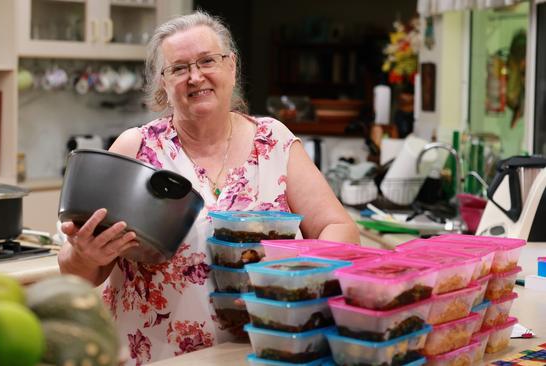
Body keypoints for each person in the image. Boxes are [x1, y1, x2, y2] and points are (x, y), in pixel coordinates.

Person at [58, 11, 359, 365]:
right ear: (163, 84)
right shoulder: (137, 149)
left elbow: (341, 229)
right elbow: (76, 271)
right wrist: (85, 256)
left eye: (207, 61)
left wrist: (292, 274)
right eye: (179, 68)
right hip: (157, 356)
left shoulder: (273, 141)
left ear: (232, 66)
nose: (195, 76)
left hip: (259, 352)